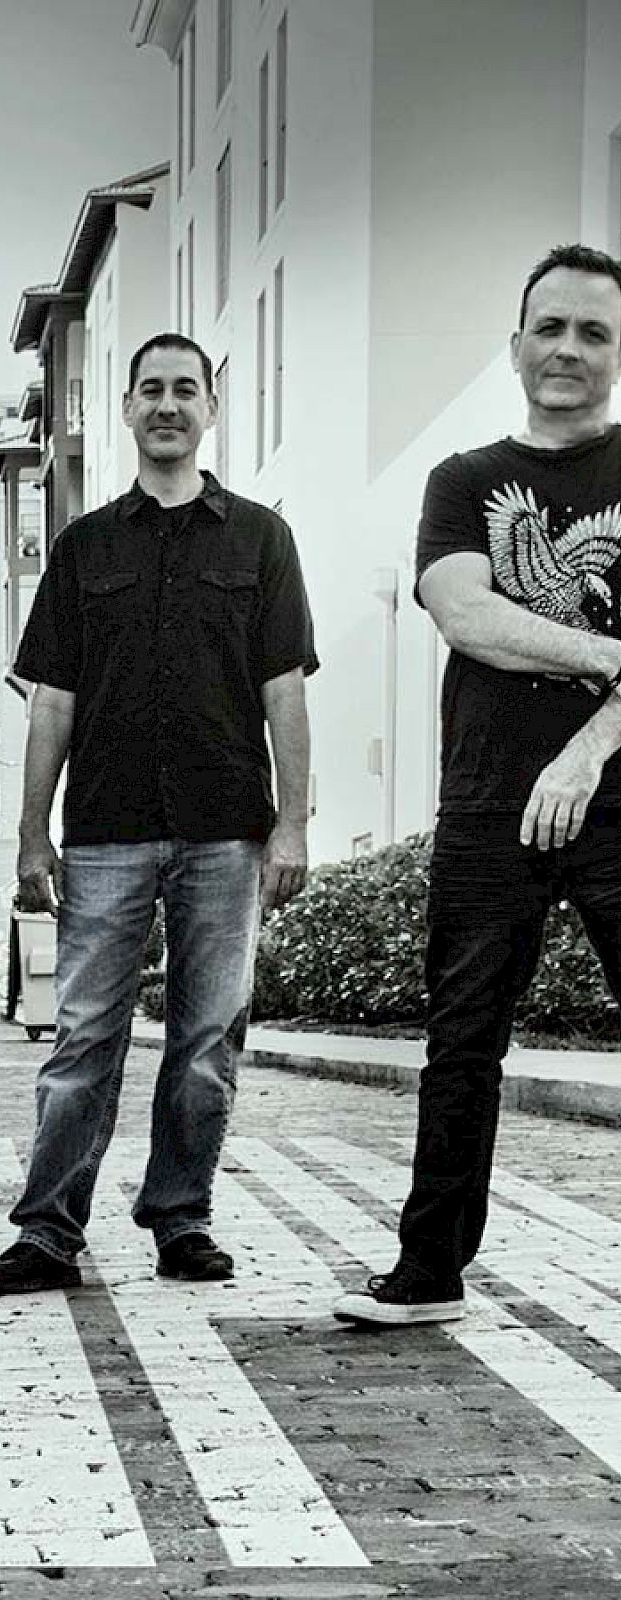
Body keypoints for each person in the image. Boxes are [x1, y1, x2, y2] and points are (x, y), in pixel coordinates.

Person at [0, 332, 316, 1296]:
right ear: (125, 410)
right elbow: (52, 700)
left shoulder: (262, 539)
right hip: (107, 832)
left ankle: (181, 1217)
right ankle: (48, 1231)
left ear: (211, 408)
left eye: (185, 390)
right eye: (150, 391)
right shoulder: (87, 546)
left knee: (209, 1038)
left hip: (225, 830)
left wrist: (293, 823)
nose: (168, 406)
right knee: (86, 1035)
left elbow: (284, 692)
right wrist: (31, 830)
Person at [336, 244, 621, 1326]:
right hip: (487, 799)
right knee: (462, 1042)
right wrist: (608, 655)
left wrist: (587, 749)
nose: (569, 348)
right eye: (551, 326)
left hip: (615, 796)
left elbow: (510, 626)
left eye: (594, 331)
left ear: (618, 352)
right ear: (516, 346)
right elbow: (466, 614)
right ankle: (430, 1271)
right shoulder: (463, 480)